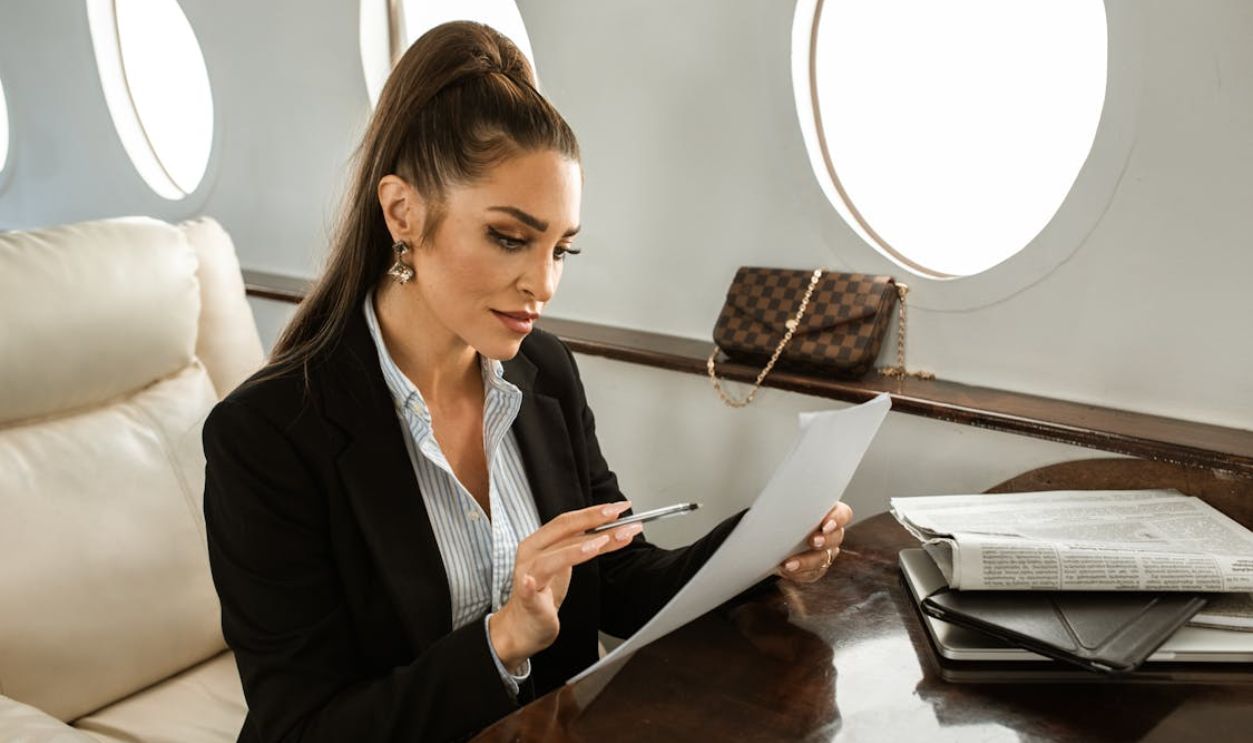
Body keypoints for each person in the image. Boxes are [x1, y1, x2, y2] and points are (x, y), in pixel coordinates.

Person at [202, 20, 852, 743]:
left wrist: (761, 542)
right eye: (509, 238)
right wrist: (501, 640)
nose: (541, 283)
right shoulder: (266, 436)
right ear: (402, 213)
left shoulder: (544, 372)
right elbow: (303, 729)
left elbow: (620, 575)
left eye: (560, 248)